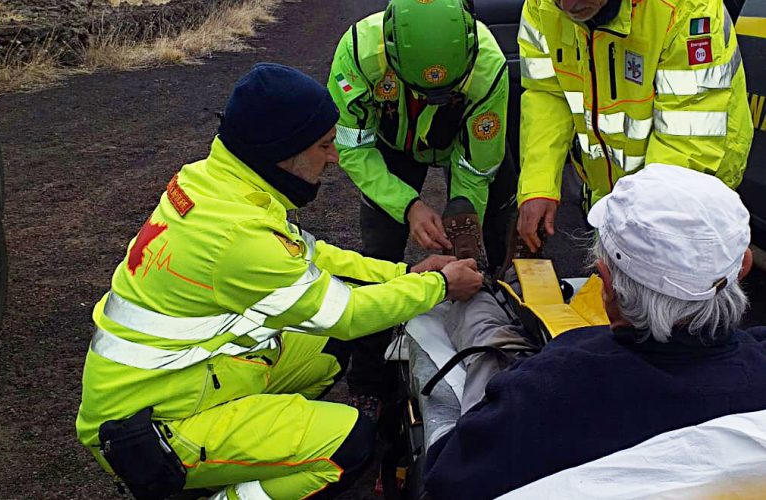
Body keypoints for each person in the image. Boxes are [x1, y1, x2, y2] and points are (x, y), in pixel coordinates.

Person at [75, 63, 484, 500]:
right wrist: (439, 286)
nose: (334, 157)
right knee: (350, 444)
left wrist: (403, 275)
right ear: (282, 151)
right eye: (324, 145)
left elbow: (313, 255)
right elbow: (345, 313)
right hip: (148, 428)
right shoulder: (237, 235)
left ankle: (249, 457)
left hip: (178, 382)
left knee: (327, 348)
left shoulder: (217, 182)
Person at [422, 164, 766, 499]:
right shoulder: (757, 359)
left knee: (491, 343)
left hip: (541, 399)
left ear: (607, 284)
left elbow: (446, 476)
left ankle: (476, 284)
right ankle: (511, 277)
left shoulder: (547, 390)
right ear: (743, 268)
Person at [328, 0, 513, 405]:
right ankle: (369, 379)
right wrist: (408, 205)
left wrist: (464, 221)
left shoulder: (489, 68)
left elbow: (477, 165)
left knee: (496, 238)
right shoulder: (358, 55)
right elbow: (353, 148)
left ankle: (505, 344)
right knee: (379, 255)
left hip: (459, 144)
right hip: (390, 148)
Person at [516, 0, 754, 252]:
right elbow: (547, 94)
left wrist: (636, 230)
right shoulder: (542, 5)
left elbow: (685, 144)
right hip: (610, 190)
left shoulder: (688, 8)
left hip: (686, 192)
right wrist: (538, 185)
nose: (568, 5)